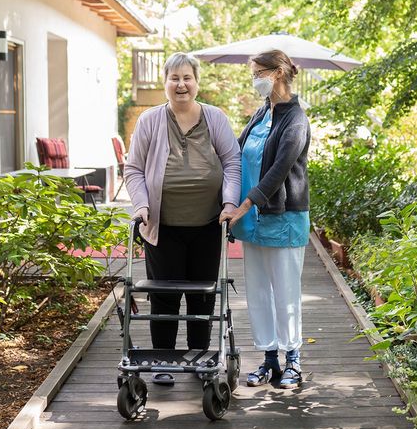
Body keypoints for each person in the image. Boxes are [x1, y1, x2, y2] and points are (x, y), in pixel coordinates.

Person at [125, 52, 241, 385]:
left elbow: (232, 162)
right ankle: (162, 359)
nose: (181, 85)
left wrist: (229, 202)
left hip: (208, 224)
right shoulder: (149, 120)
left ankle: (199, 359)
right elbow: (133, 169)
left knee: (202, 296)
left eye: (187, 77)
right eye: (174, 78)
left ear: (196, 82)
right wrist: (142, 204)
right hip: (162, 227)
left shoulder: (215, 118)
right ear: (165, 83)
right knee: (164, 296)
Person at [223, 49, 311, 389]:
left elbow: (279, 171)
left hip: (283, 218)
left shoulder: (296, 119)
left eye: (259, 72)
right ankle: (269, 359)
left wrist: (243, 206)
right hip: (254, 222)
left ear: (277, 73)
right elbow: (238, 153)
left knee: (285, 293)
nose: (254, 79)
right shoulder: (262, 114)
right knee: (258, 292)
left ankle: (293, 361)